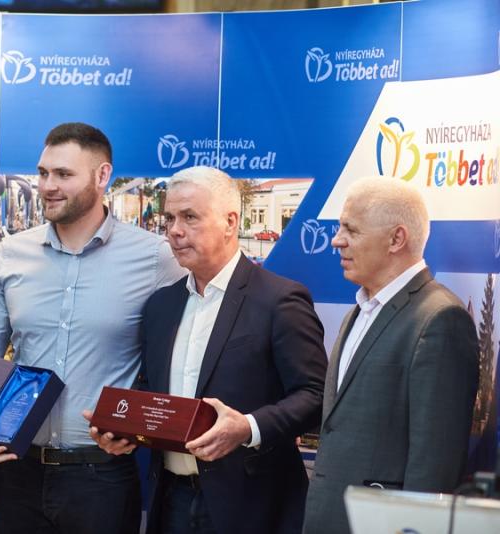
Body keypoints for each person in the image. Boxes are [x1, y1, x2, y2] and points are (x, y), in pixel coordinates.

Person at [0, 122, 185, 534]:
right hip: (15, 471)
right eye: (43, 173)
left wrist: (141, 423)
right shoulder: (12, 253)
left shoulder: (155, 259)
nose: (47, 186)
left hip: (101, 478)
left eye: (63, 174)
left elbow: (180, 357)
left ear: (102, 175)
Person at [91, 166, 327, 534]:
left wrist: (248, 427)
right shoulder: (161, 306)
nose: (174, 230)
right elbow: (152, 392)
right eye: (170, 218)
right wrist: (122, 428)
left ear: (230, 222)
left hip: (251, 505)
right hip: (171, 500)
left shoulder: (279, 300)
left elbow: (315, 396)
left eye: (190, 217)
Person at [302, 177, 479, 534]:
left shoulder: (440, 319)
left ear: (397, 239)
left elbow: (434, 463)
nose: (336, 240)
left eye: (351, 230)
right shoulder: (360, 311)